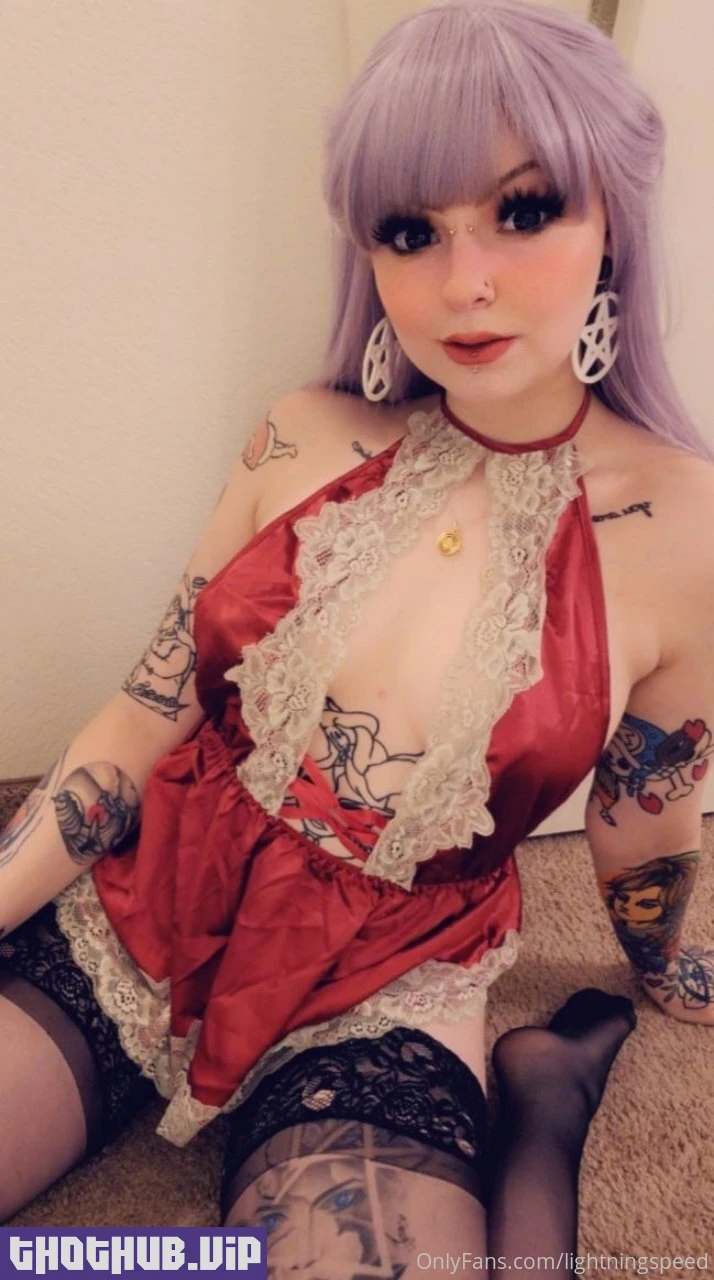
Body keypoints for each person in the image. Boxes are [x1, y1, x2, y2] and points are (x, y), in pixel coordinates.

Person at [1, 0, 713, 1268]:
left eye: (524, 209)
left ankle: (542, 1097)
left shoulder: (685, 523)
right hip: (148, 902)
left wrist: (668, 969)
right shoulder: (304, 433)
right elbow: (144, 713)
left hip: (391, 978)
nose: (463, 281)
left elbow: (643, 808)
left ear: (614, 219)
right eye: (411, 229)